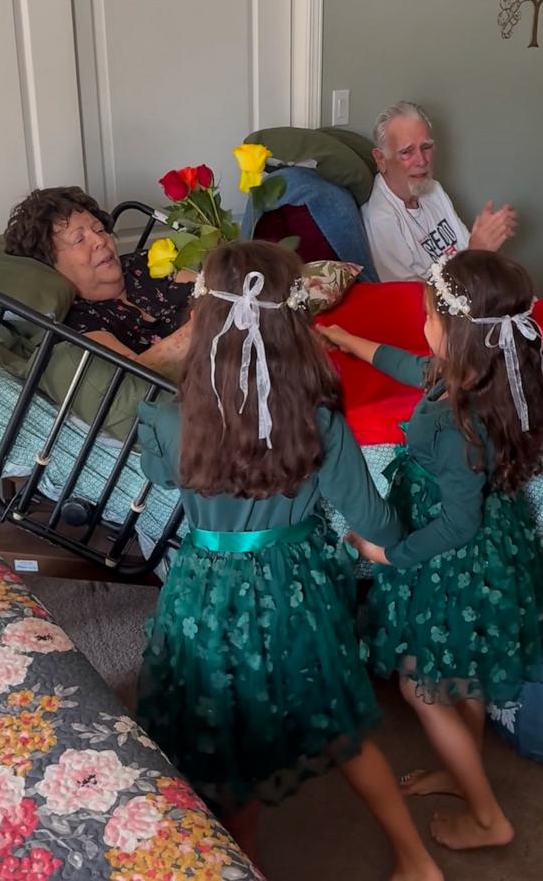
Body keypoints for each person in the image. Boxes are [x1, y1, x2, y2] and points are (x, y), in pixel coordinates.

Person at [135, 240, 442, 881]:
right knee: (339, 725)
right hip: (295, 587)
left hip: (206, 594)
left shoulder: (164, 419)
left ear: (205, 325)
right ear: (294, 323)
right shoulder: (318, 420)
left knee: (222, 741)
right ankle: (418, 860)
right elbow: (373, 521)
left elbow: (162, 477)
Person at [319, 250, 543, 852]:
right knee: (458, 673)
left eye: (428, 317)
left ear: (455, 333)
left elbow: (457, 526)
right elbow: (411, 363)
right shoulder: (490, 378)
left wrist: (387, 556)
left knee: (423, 685)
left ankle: (489, 817)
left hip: (454, 564)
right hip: (490, 551)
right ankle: (462, 766)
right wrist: (348, 339)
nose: (423, 328)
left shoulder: (455, 422)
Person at [4, 186, 194, 377]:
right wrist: (200, 327)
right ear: (50, 263)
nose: (100, 240)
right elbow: (130, 380)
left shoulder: (142, 263)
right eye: (79, 240)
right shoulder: (79, 321)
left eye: (100, 229)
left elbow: (212, 288)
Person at [362, 102, 518, 282]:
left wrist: (492, 237)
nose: (421, 161)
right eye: (407, 152)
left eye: (426, 147)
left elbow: (466, 249)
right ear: (380, 159)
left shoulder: (433, 189)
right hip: (454, 306)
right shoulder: (381, 220)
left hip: (479, 292)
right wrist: (477, 252)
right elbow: (415, 303)